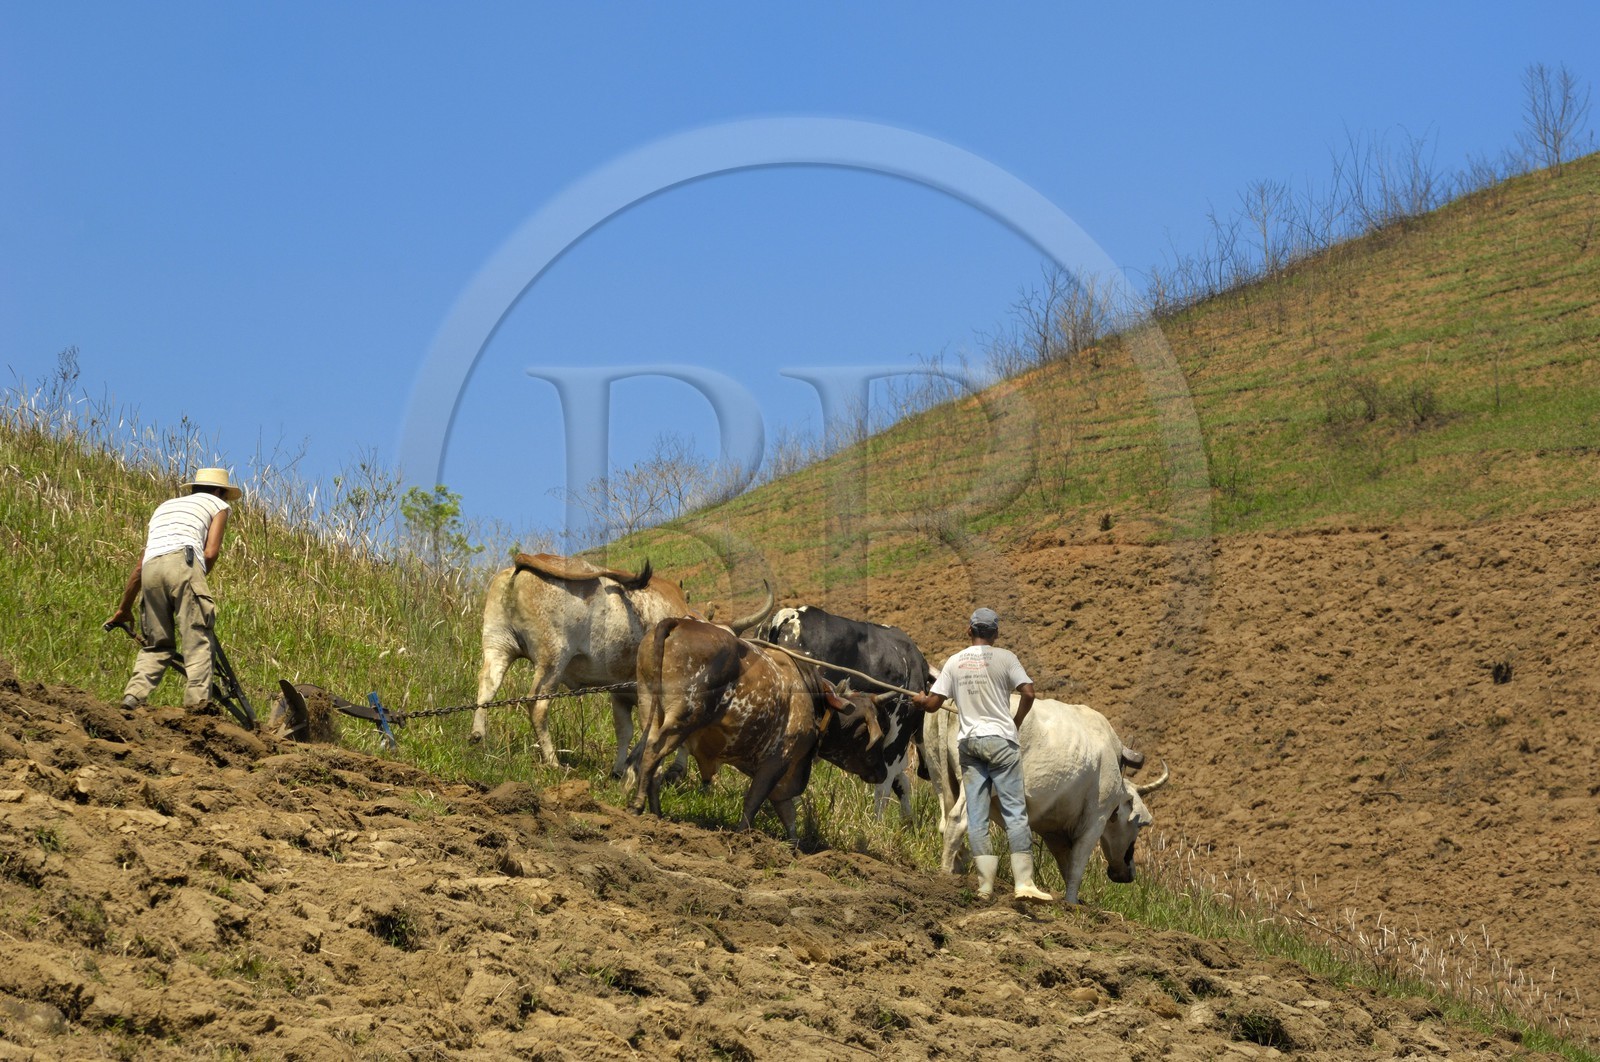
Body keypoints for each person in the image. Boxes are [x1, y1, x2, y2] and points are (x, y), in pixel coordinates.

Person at [913, 607, 1052, 902]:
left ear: (969, 631)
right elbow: (1028, 693)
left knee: (977, 818)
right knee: (1015, 814)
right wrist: (1015, 723)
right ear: (996, 634)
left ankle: (985, 886)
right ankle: (1024, 882)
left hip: (970, 744)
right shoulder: (1006, 658)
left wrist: (920, 700)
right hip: (1002, 743)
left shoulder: (955, 662)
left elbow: (933, 705)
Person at [105, 468, 242, 711]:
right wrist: (195, 582)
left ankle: (133, 696)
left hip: (151, 570)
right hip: (183, 564)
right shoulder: (218, 505)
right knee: (197, 640)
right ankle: (197, 708)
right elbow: (211, 552)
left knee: (157, 644)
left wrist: (123, 608)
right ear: (219, 491)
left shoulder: (165, 507)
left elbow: (139, 567)